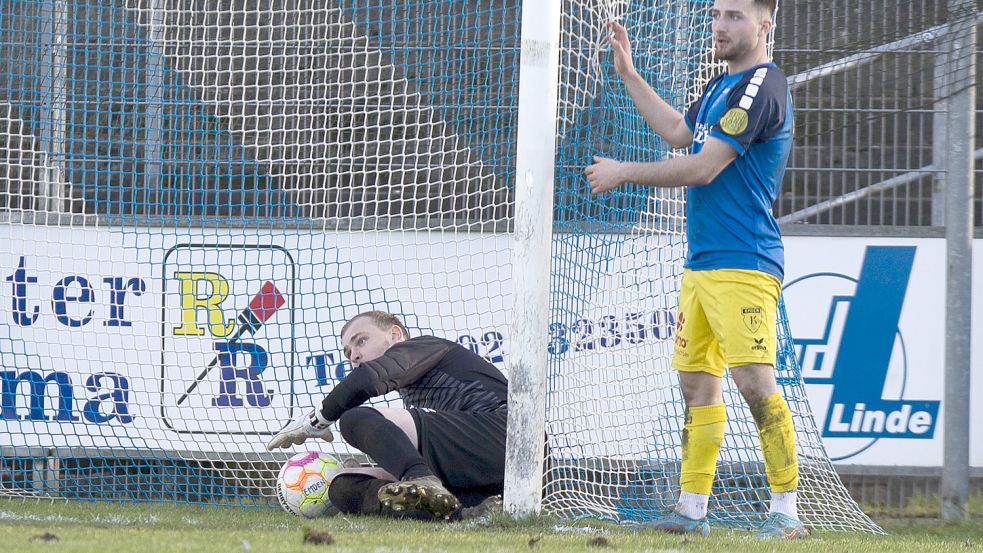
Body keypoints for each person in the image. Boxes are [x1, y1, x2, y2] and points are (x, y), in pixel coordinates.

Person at [584, 0, 806, 540]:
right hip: (702, 262)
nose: (720, 26)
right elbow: (682, 136)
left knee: (754, 381)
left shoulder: (761, 87)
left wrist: (623, 173)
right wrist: (630, 75)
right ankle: (691, 511)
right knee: (695, 385)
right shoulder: (718, 86)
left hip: (744, 261)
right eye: (715, 15)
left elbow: (704, 168)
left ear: (764, 24)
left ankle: (788, 512)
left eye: (734, 15)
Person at [267, 310, 508, 521]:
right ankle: (459, 513)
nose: (354, 355)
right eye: (348, 352)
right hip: (483, 482)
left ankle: (420, 479)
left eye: (361, 341)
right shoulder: (413, 391)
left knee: (352, 419)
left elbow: (367, 381)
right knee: (344, 486)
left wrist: (317, 420)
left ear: (394, 335)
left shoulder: (426, 346)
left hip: (506, 441)